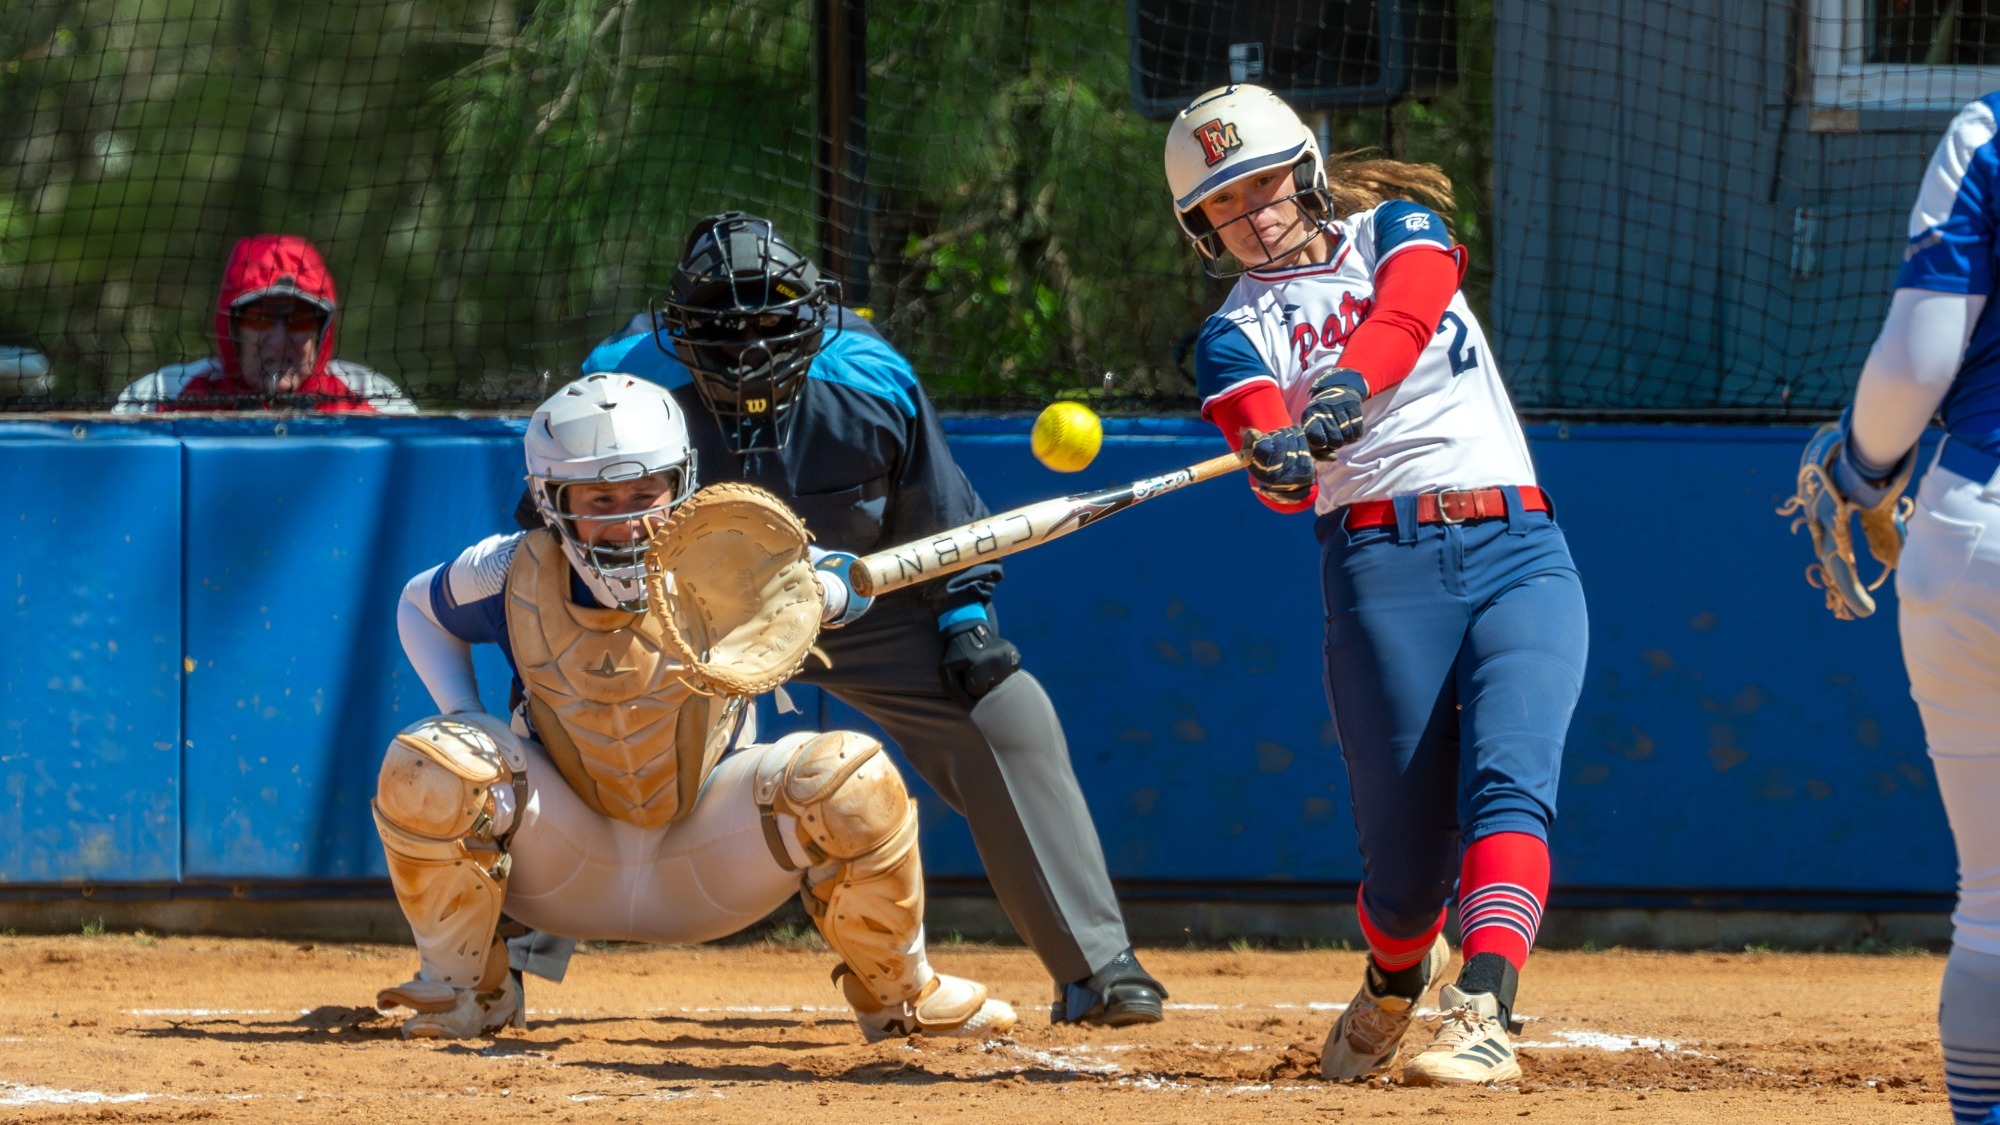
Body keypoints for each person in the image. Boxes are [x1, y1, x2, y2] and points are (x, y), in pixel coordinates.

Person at [524, 212, 1168, 1028]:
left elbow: (938, 522)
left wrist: (966, 620)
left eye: (769, 317)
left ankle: (1097, 968)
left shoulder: (870, 376)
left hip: (853, 605)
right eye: (726, 325)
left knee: (1007, 709)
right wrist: (585, 653)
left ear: (814, 311)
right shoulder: (622, 382)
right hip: (677, 620)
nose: (749, 344)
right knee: (578, 716)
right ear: (677, 323)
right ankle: (505, 948)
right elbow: (552, 536)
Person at [372, 370, 1014, 1041]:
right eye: (600, 496)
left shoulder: (731, 558)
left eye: (644, 492)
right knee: (434, 760)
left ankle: (902, 995)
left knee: (852, 778)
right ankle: (468, 991)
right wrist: (463, 710)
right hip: (564, 858)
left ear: (680, 484)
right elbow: (419, 604)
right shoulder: (509, 570)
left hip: (711, 857)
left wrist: (824, 588)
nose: (625, 517)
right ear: (550, 497)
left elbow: (842, 584)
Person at [1162, 85, 1588, 1085]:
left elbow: (1405, 310)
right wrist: (1275, 460)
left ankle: (1483, 1006)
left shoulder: (1393, 230)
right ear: (1201, 228)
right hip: (1379, 570)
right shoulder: (1231, 333)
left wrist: (1348, 382)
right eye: (1223, 203)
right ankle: (1396, 975)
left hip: (1517, 548)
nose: (1252, 213)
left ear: (1301, 172)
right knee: (1401, 884)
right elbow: (1263, 435)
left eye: (1262, 183)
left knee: (1508, 784)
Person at [1780, 93, 2000, 1125]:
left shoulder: (1990, 129)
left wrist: (1862, 471)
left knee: (1993, 907)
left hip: (1972, 536)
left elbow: (1917, 361)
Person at [113, 233, 414, 414]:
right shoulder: (161, 396)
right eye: (260, 320)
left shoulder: (374, 399)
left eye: (299, 321)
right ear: (233, 329)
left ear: (321, 333)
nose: (280, 340)